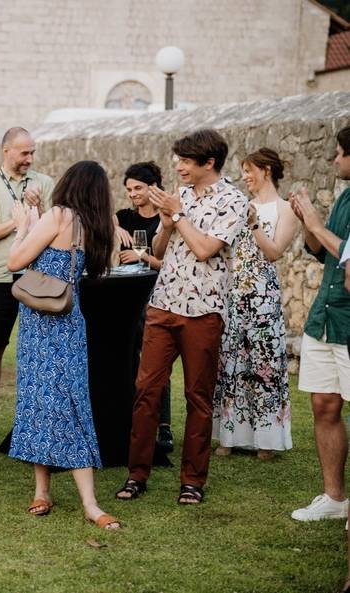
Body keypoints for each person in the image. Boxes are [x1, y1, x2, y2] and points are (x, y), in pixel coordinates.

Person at [116, 128, 248, 505]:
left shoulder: (233, 201)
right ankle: (136, 475)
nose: (179, 166)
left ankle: (192, 480)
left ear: (209, 163)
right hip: (163, 304)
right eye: (179, 159)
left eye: (187, 160)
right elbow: (159, 248)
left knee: (198, 396)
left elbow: (206, 249)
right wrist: (168, 224)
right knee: (146, 392)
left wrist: (177, 213)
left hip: (204, 311)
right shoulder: (180, 196)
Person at [6, 160, 119, 529]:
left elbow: (14, 262)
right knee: (62, 401)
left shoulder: (58, 215)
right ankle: (48, 492)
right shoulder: (96, 226)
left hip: (42, 323)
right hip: (70, 322)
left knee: (52, 403)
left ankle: (83, 501)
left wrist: (23, 228)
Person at [213, 148, 298, 459]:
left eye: (249, 170)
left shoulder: (284, 209)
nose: (245, 177)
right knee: (232, 364)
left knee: (263, 367)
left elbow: (274, 253)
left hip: (264, 299)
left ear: (266, 170)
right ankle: (230, 436)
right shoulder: (240, 205)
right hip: (235, 295)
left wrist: (254, 225)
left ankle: (267, 440)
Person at [0, 127, 54, 444]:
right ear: (6, 151)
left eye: (32, 152)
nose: (29, 159)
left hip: (36, 275)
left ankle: (36, 414)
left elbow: (56, 224)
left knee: (38, 347)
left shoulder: (44, 183)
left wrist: (39, 211)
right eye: (24, 153)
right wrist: (17, 222)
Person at [288, 125, 350, 522]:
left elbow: (348, 255)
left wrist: (314, 223)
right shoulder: (346, 196)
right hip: (323, 317)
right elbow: (325, 253)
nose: (334, 160)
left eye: (340, 153)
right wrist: (308, 225)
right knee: (323, 404)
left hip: (349, 323)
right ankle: (334, 497)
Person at [114, 162, 173, 452]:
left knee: (157, 361)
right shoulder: (124, 216)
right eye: (129, 189)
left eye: (138, 188)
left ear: (153, 187)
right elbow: (101, 220)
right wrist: (115, 229)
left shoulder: (166, 219)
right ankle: (133, 419)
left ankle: (164, 426)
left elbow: (169, 263)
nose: (133, 194)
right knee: (132, 358)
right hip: (127, 294)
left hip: (159, 294)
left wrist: (141, 256)